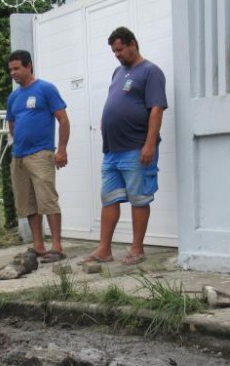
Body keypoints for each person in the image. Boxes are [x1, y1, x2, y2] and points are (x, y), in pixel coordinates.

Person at [80, 26, 167, 266]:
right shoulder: (118, 72)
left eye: (120, 50)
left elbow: (156, 109)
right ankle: (104, 249)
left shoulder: (151, 72)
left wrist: (149, 144)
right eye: (114, 51)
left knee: (139, 198)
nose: (117, 55)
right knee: (109, 198)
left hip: (136, 147)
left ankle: (137, 249)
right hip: (112, 151)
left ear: (132, 44)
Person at [6, 50, 71, 263]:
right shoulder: (13, 97)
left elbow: (63, 120)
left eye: (17, 68)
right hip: (19, 157)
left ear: (28, 66)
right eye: (10, 70)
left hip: (41, 153)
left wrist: (61, 149)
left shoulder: (45, 89)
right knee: (28, 204)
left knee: (47, 200)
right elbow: (13, 125)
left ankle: (57, 246)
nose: (13, 73)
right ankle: (39, 246)